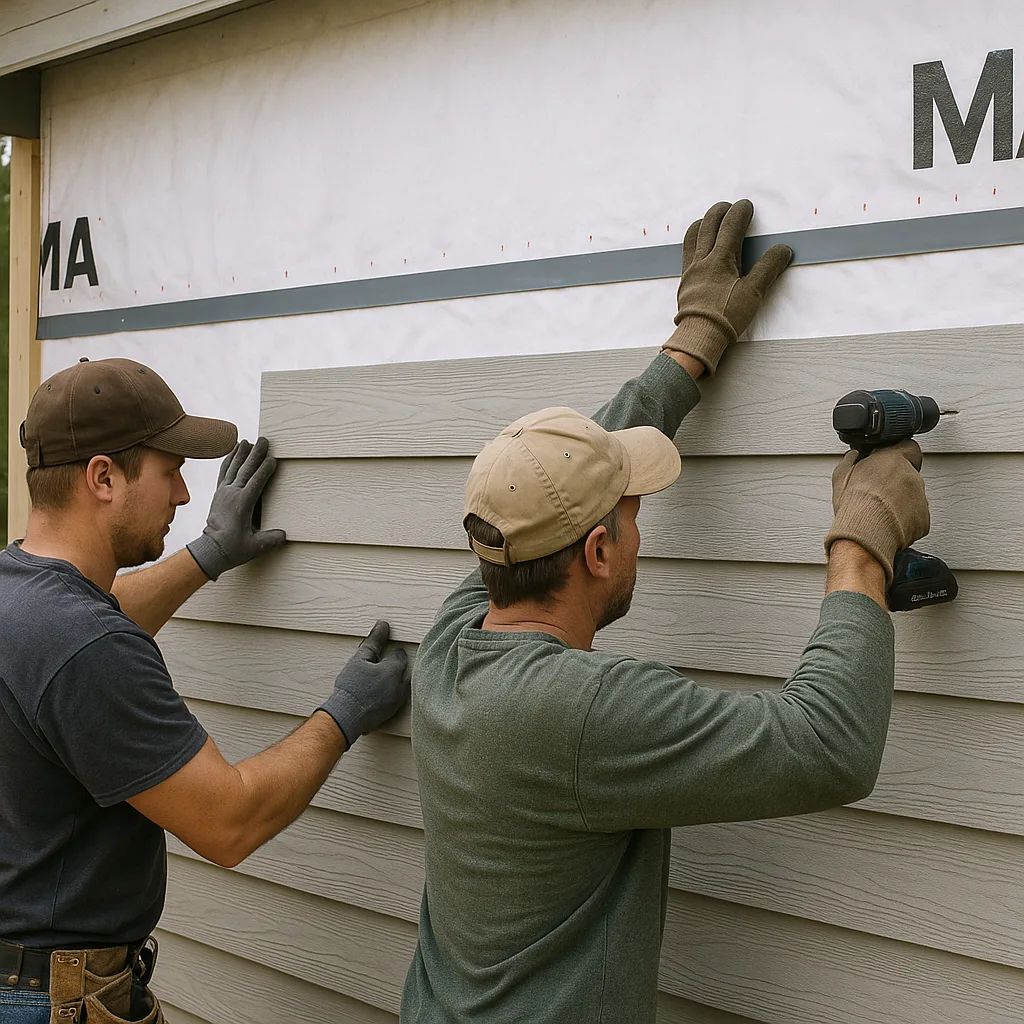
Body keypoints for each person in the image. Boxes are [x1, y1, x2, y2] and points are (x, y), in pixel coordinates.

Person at [400, 200, 931, 1023]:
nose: (640, 527)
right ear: (599, 555)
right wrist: (862, 541)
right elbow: (829, 747)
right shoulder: (583, 711)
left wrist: (695, 337)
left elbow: (565, 473)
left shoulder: (454, 639)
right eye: (634, 513)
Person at [0, 358, 408, 1024]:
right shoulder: (83, 645)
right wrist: (343, 714)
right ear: (103, 478)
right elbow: (229, 822)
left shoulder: (18, 593)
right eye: (171, 472)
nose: (185, 497)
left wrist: (209, 554)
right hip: (52, 1000)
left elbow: (90, 628)